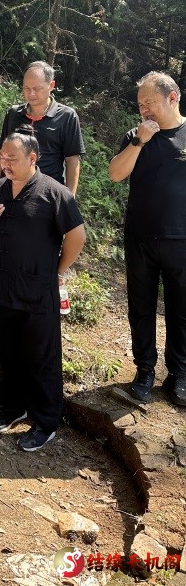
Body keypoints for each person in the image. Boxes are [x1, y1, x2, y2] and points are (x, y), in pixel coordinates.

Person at [0, 127, 86, 452]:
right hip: (4, 289)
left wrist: (58, 270)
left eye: (13, 158)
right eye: (3, 157)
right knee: (9, 354)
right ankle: (14, 407)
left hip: (38, 292)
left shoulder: (54, 193)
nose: (6, 163)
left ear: (33, 158)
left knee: (41, 359)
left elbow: (77, 235)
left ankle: (45, 421)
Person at [109, 71, 186, 408]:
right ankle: (144, 372)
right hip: (140, 237)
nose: (144, 110)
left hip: (181, 239)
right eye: (140, 104)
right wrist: (139, 141)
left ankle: (180, 374)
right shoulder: (135, 136)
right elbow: (116, 174)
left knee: (181, 310)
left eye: (150, 102)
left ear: (173, 97)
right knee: (141, 308)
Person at [0, 61, 85, 195]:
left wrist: (69, 199)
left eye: (37, 88)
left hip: (46, 195)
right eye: (26, 88)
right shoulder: (13, 114)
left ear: (51, 85)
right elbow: (1, 152)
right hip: (9, 192)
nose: (31, 93)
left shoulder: (66, 116)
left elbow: (72, 160)